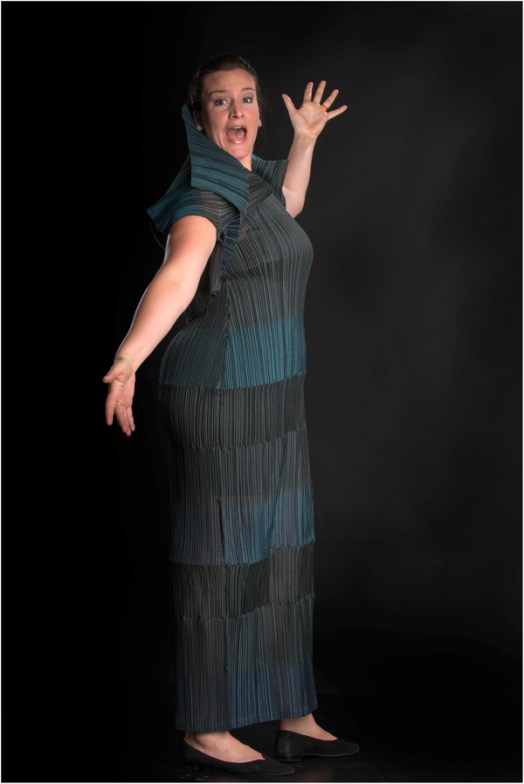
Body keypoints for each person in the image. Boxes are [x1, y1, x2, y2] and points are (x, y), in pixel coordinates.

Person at [103, 54, 360, 776]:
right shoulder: (204, 198)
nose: (239, 112)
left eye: (247, 98)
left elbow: (290, 206)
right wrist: (127, 357)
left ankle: (294, 715)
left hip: (272, 396)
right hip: (219, 398)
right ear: (198, 118)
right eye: (221, 102)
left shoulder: (255, 182)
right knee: (222, 561)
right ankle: (206, 725)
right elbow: (179, 274)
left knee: (283, 552)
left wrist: (305, 139)